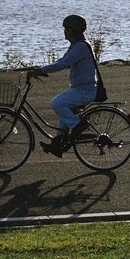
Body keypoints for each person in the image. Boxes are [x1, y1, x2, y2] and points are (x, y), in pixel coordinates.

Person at [28, 14, 97, 157]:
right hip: (81, 88)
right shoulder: (77, 45)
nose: (64, 31)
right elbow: (63, 60)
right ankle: (59, 143)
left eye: (66, 29)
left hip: (85, 90)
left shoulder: (81, 47)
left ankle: (78, 126)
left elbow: (63, 64)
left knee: (57, 103)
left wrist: (41, 70)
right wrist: (42, 69)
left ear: (71, 31)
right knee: (64, 113)